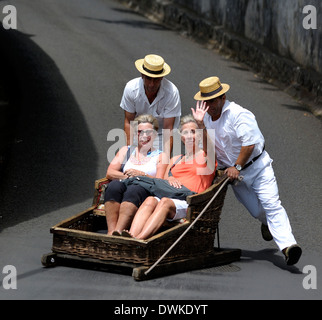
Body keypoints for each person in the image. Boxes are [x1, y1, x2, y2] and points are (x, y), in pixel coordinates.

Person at [193, 76, 302, 265]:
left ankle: (289, 247)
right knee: (256, 210)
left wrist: (236, 166)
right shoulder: (206, 120)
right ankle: (268, 224)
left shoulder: (238, 114)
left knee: (271, 204)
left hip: (258, 167)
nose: (209, 105)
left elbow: (249, 144)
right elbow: (208, 151)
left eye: (212, 100)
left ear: (222, 98)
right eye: (206, 101)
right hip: (235, 177)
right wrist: (201, 126)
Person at [122, 103, 217, 240]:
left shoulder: (206, 156)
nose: (189, 136)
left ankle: (139, 240)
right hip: (170, 196)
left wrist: (201, 125)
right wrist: (170, 179)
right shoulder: (176, 160)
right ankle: (130, 236)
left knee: (165, 202)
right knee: (150, 200)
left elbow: (210, 149)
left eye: (193, 131)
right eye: (185, 132)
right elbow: (161, 181)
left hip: (191, 202)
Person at [104, 114, 168, 235]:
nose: (144, 136)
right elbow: (110, 172)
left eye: (148, 132)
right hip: (124, 184)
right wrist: (129, 177)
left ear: (154, 135)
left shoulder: (161, 156)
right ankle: (111, 231)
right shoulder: (126, 150)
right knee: (114, 186)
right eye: (140, 132)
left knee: (134, 189)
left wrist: (141, 175)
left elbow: (160, 181)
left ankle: (119, 230)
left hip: (143, 191)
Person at [120, 54, 181, 155]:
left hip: (161, 134)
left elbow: (168, 129)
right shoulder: (131, 88)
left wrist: (164, 161)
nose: (152, 84)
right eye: (148, 78)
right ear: (142, 75)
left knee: (156, 166)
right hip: (138, 132)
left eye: (156, 79)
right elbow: (129, 122)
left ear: (162, 77)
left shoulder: (172, 92)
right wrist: (129, 152)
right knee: (127, 164)